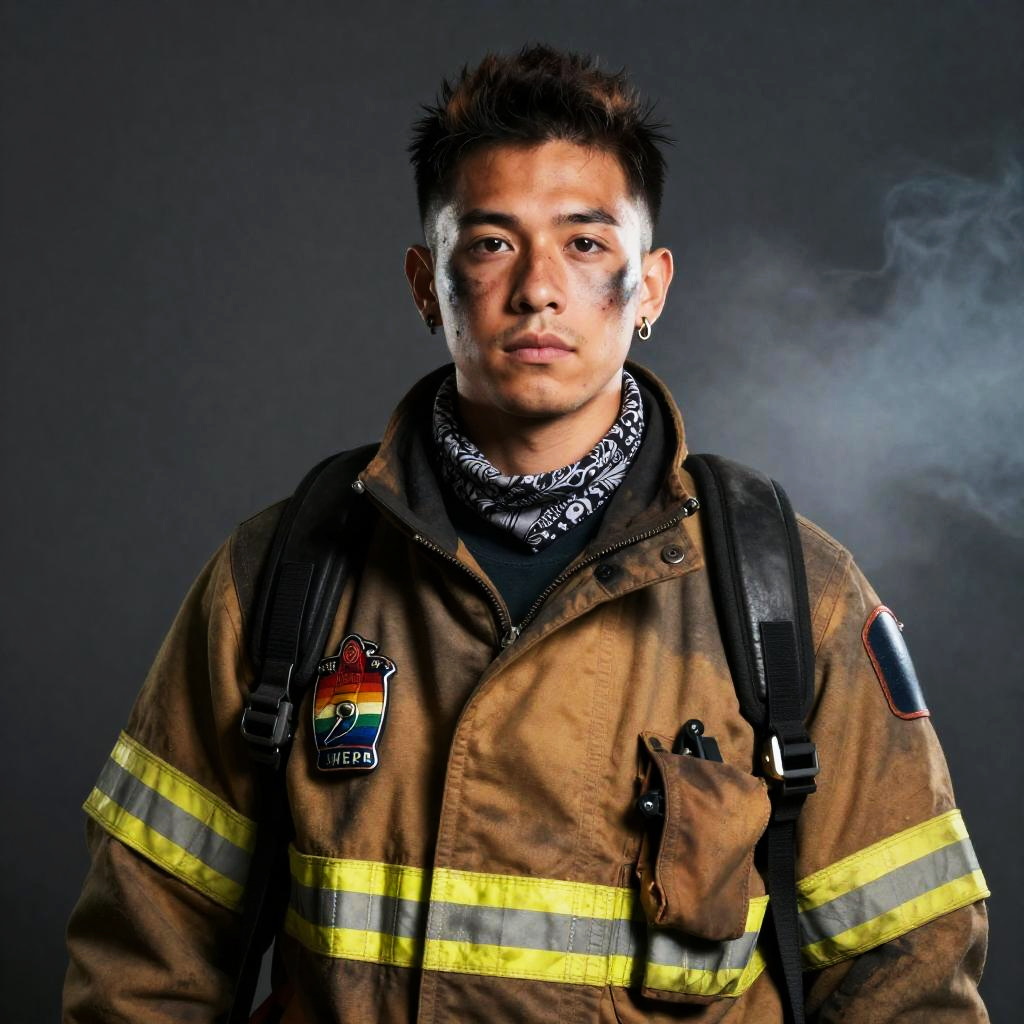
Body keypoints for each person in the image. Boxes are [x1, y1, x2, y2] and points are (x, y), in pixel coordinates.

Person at [63, 45, 989, 1023]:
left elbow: (912, 983)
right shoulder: (277, 577)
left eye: (584, 244)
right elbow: (144, 970)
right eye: (491, 243)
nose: (538, 288)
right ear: (427, 283)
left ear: (650, 287)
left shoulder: (790, 598)